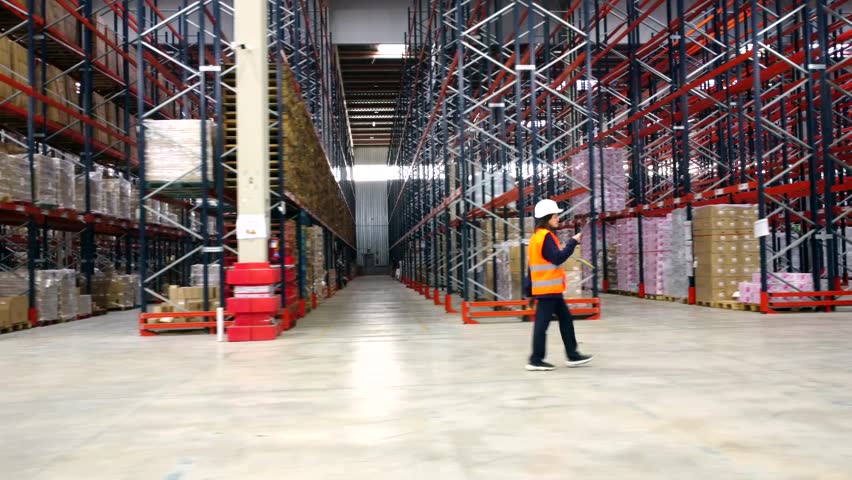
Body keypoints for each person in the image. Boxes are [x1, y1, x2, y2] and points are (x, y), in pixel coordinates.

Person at [524, 199, 593, 371]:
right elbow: (557, 258)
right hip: (548, 290)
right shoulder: (546, 237)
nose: (558, 219)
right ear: (547, 217)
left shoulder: (536, 237)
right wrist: (572, 243)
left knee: (565, 319)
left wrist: (529, 291)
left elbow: (530, 267)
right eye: (555, 216)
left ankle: (573, 355)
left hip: (548, 290)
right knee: (542, 324)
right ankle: (536, 359)